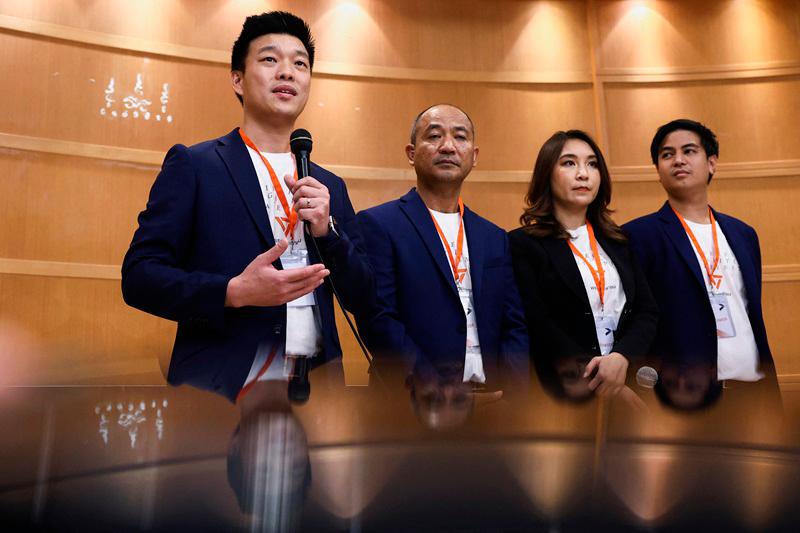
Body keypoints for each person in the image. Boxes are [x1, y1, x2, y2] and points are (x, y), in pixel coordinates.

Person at [121, 12, 372, 399]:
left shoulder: (330, 186)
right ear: (237, 79)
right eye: (270, 59)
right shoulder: (196, 165)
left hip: (318, 391)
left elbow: (364, 297)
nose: (287, 72)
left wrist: (328, 232)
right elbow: (139, 277)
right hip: (223, 389)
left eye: (300, 64)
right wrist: (232, 291)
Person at [355, 104, 529, 390]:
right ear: (411, 154)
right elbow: (378, 318)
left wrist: (512, 389)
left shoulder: (495, 237)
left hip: (492, 402)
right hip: (413, 400)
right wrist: (429, 385)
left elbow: (514, 324)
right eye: (434, 136)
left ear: (474, 157)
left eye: (460, 137)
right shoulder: (379, 225)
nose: (448, 146)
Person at [509, 130, 658, 397]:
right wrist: (602, 381)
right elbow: (539, 324)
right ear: (546, 173)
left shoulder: (619, 241)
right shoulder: (522, 244)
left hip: (630, 382)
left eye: (592, 164)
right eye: (569, 163)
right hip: (564, 390)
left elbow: (646, 312)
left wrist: (622, 358)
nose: (583, 174)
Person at [623, 119, 773, 383]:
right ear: (658, 170)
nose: (678, 160)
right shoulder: (637, 236)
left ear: (712, 162)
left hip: (753, 387)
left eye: (689, 151)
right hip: (685, 394)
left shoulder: (744, 234)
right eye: (667, 155)